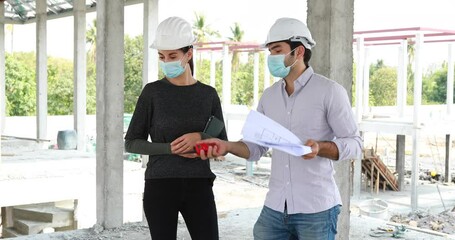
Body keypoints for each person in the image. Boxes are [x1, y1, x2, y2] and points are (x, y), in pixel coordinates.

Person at [197, 18, 362, 240]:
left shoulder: (329, 92)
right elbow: (255, 148)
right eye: (270, 52)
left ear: (299, 51)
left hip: (316, 209)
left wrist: (320, 147)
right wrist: (226, 146)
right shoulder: (270, 96)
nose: (272, 58)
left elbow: (355, 143)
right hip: (275, 206)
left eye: (277, 50)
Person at [124, 16, 227, 240]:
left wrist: (200, 137)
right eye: (162, 56)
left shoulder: (208, 95)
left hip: (199, 184)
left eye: (172, 56)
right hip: (160, 185)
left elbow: (221, 142)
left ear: (188, 54)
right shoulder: (152, 93)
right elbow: (132, 142)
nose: (166, 61)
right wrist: (171, 149)